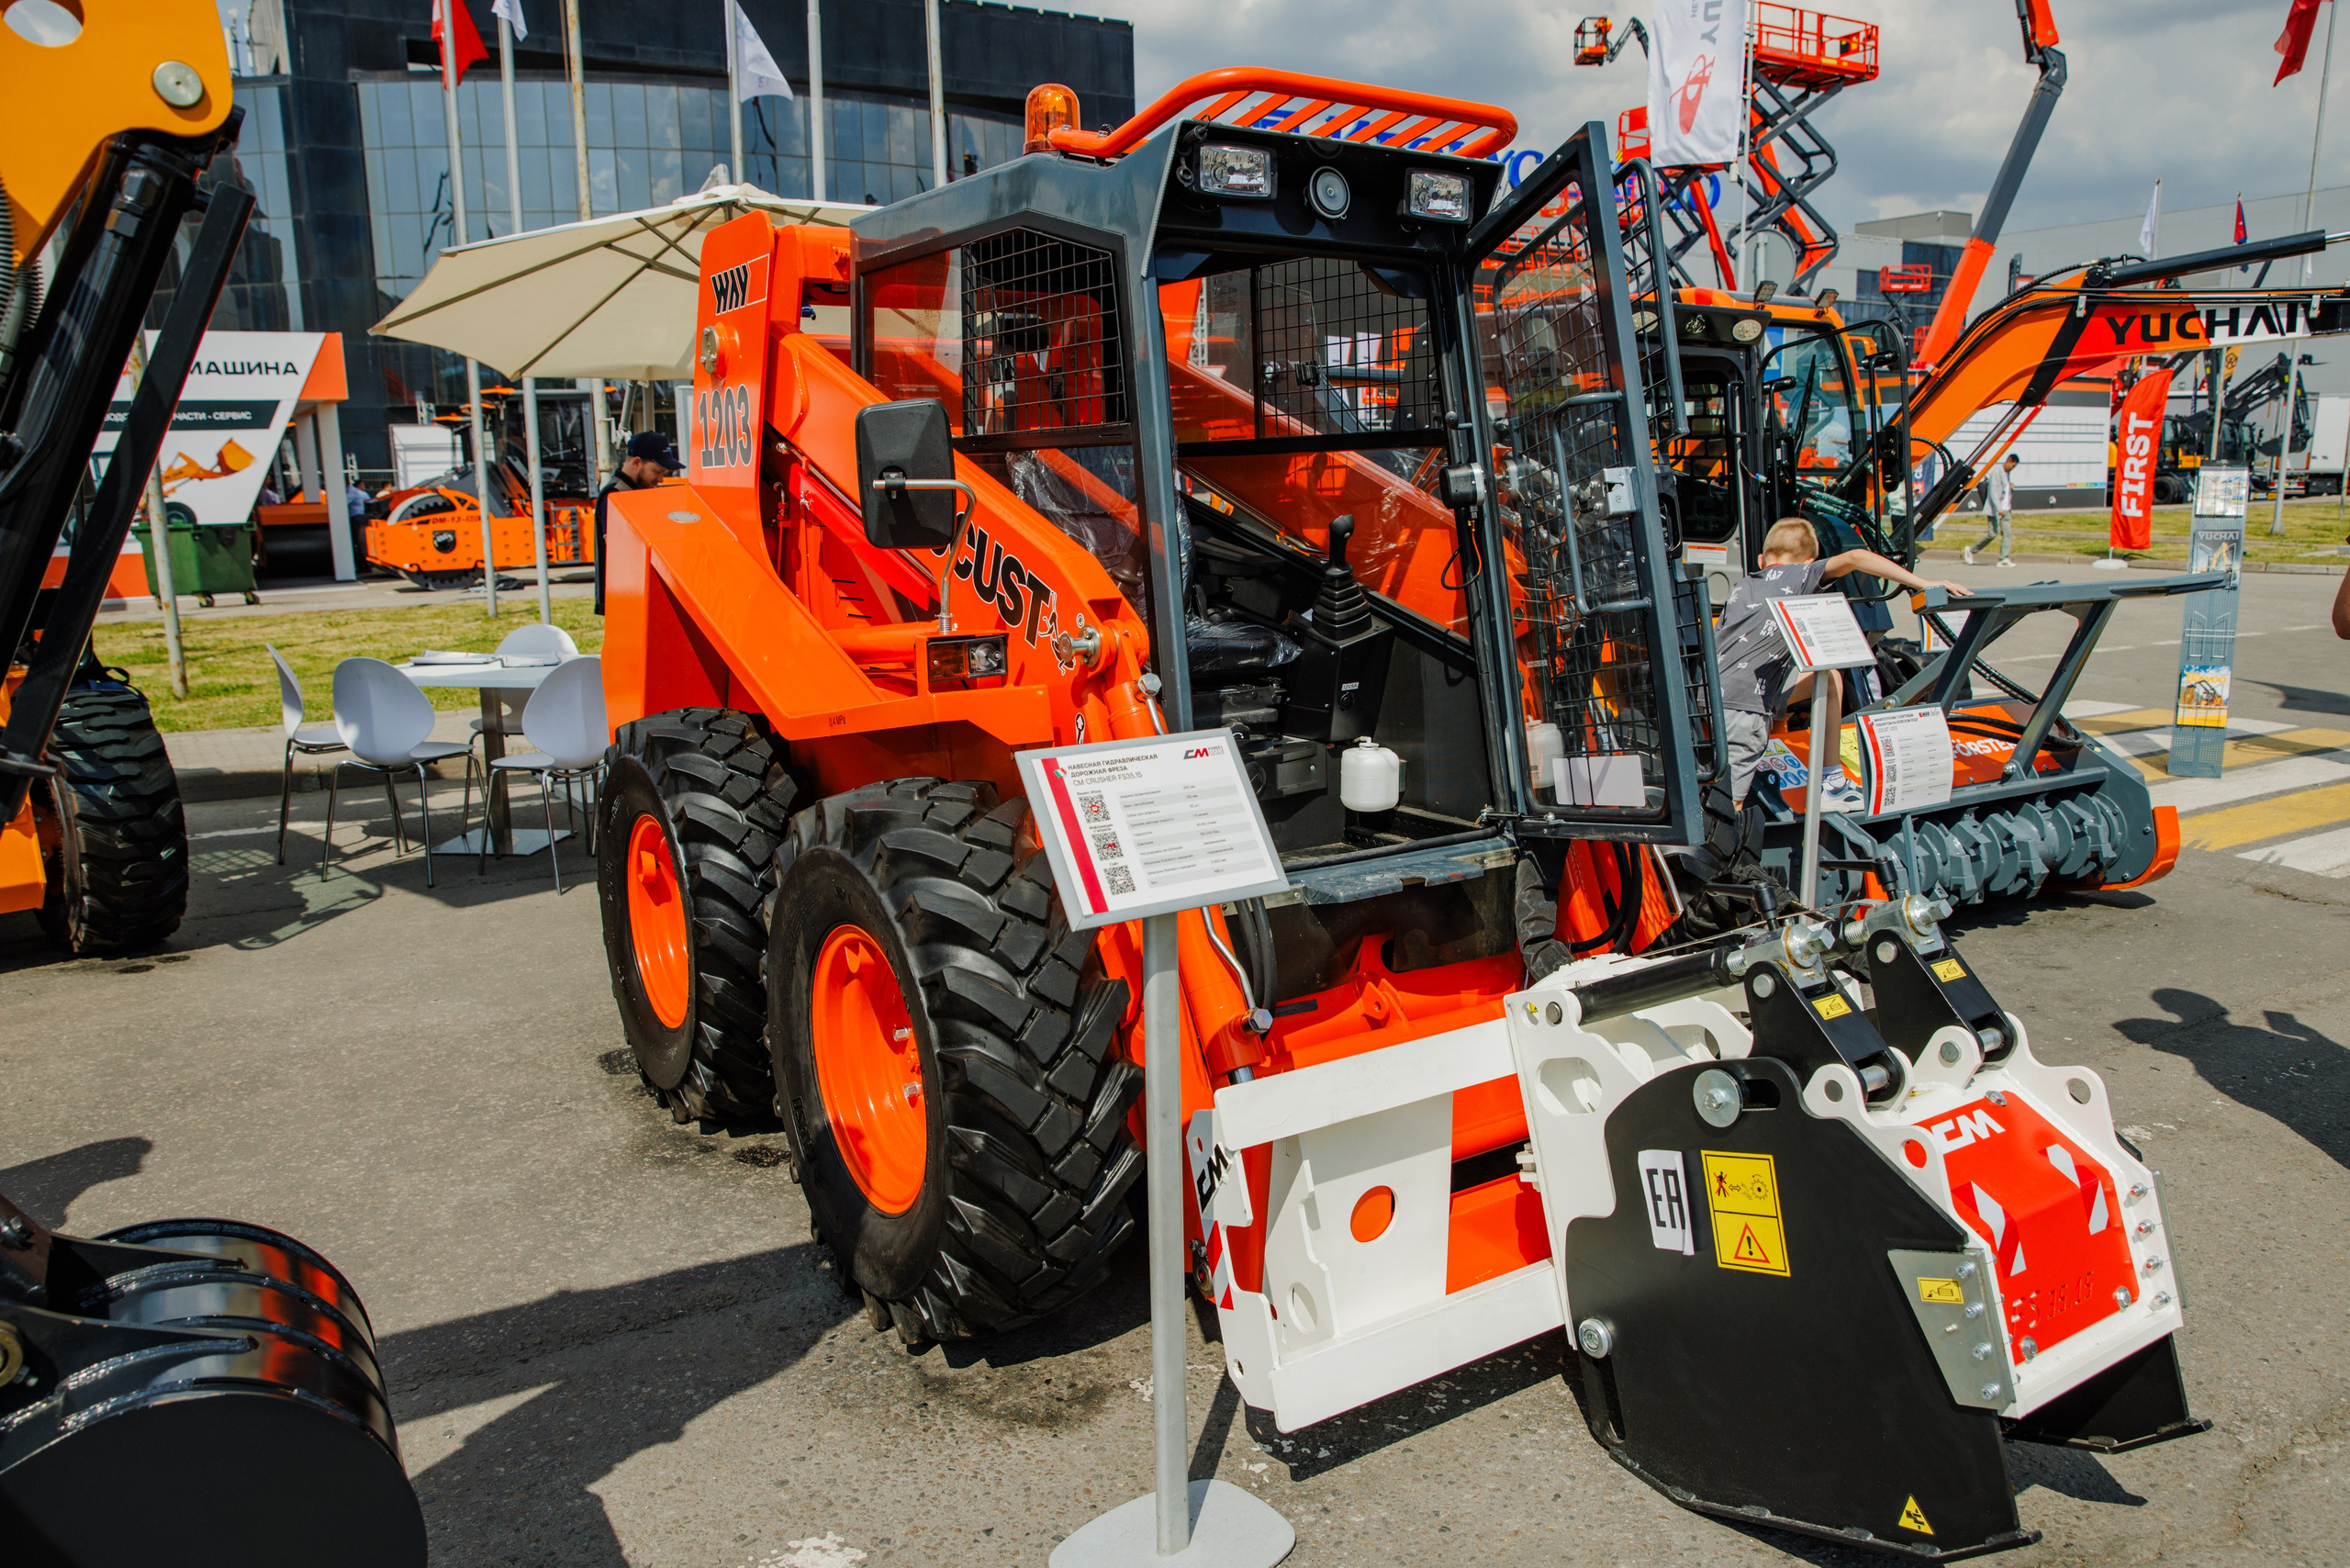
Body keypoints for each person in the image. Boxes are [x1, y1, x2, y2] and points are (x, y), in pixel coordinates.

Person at [1717, 516, 1973, 811]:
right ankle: (1831, 783)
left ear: (1762, 559)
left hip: (1712, 697)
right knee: (1727, 808)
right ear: (1810, 561)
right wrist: (1925, 583)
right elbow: (1856, 557)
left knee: (1830, 680)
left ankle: (1833, 781)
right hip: (1744, 710)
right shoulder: (1801, 575)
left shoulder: (1741, 587)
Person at [595, 431, 682, 613]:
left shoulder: (635, 493)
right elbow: (621, 554)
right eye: (657, 471)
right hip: (625, 597)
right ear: (636, 462)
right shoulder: (615, 495)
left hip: (637, 593)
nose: (660, 479)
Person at [1964, 453, 2020, 567]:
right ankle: (1971, 550)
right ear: (2008, 461)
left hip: (2006, 509)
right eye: (2013, 466)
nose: (2013, 469)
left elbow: (2004, 490)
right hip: (1995, 509)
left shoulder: (2006, 474)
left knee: (2007, 534)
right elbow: (1993, 492)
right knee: (1992, 534)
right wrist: (1998, 507)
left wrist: (2010, 487)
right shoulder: (1997, 472)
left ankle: (2003, 558)